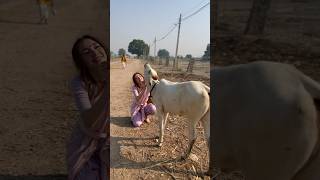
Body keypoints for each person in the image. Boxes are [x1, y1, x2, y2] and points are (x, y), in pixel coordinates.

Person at [67, 35, 109, 180]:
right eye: (86, 52)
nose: (94, 52)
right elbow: (89, 120)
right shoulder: (79, 83)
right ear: (81, 61)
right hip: (86, 142)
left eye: (97, 47)